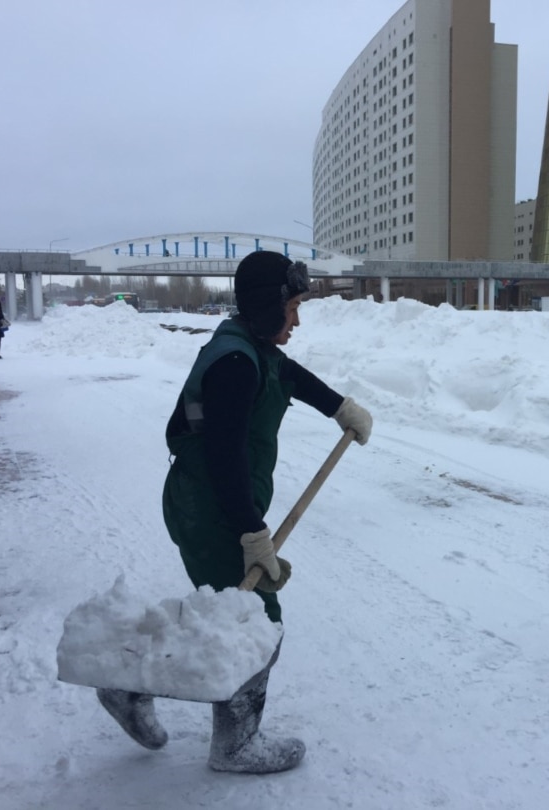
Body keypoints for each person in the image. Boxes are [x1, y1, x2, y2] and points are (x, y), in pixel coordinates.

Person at [96, 250, 373, 774]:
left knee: (232, 617)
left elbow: (289, 375)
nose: (298, 318)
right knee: (253, 622)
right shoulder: (234, 364)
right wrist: (251, 531)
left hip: (218, 504)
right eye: (292, 306)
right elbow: (224, 456)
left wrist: (340, 407)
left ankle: (129, 688)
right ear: (270, 307)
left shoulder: (253, 346)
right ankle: (226, 739)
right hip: (211, 510)